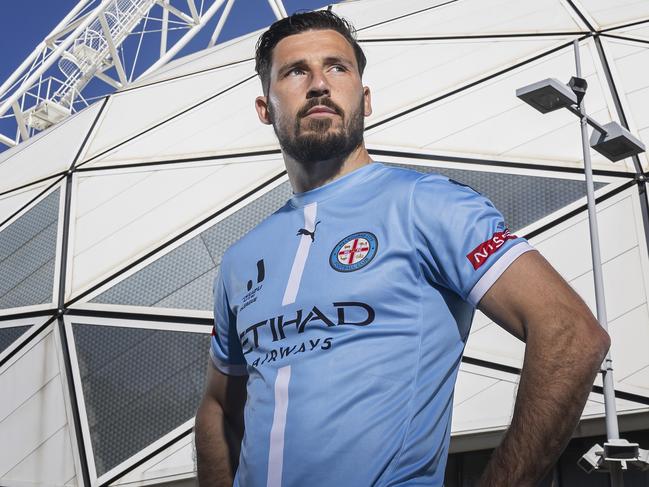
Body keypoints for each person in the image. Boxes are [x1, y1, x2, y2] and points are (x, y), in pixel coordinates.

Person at [195, 10, 610, 487]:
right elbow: (219, 406)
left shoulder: (428, 205)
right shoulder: (241, 258)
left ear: (364, 98)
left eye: (337, 67)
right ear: (265, 108)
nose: (318, 84)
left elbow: (572, 334)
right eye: (295, 71)